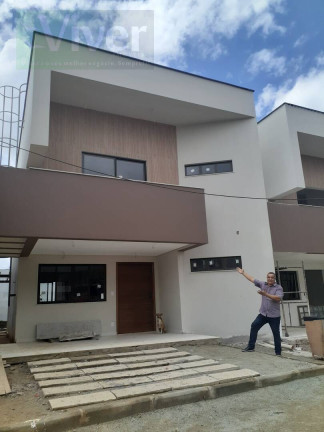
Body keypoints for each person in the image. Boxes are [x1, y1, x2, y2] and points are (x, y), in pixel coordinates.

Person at [236, 267, 284, 356]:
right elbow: (252, 279)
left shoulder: (278, 288)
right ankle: (251, 347)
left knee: (276, 334)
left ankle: (278, 353)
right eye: (268, 277)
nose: (270, 279)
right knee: (254, 326)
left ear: (274, 279)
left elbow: (278, 298)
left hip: (274, 316)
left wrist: (265, 294)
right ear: (267, 278)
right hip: (263, 314)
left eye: (272, 277)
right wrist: (243, 273)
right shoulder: (263, 284)